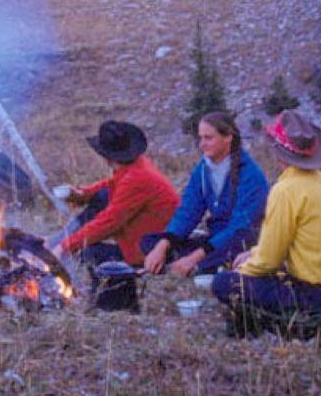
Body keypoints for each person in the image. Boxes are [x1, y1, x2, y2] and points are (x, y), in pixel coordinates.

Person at [212, 109, 321, 330]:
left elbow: (269, 262)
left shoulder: (285, 190)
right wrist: (254, 253)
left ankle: (307, 321)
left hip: (320, 294)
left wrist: (241, 271)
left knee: (223, 284)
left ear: (277, 152)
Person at [142, 111, 268, 278]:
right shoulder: (203, 169)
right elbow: (188, 212)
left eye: (208, 138)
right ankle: (197, 266)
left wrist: (193, 258)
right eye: (200, 138)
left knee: (230, 249)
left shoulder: (250, 174)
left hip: (240, 243)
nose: (202, 144)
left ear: (228, 137)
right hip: (213, 240)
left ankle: (200, 266)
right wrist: (163, 245)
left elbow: (239, 227)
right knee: (150, 242)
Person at [49, 120, 179, 269]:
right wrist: (84, 193)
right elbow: (112, 184)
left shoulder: (137, 178)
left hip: (152, 250)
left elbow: (109, 222)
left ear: (106, 156)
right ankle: (56, 242)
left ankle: (59, 247)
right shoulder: (136, 164)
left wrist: (65, 246)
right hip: (153, 236)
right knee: (102, 195)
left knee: (86, 253)